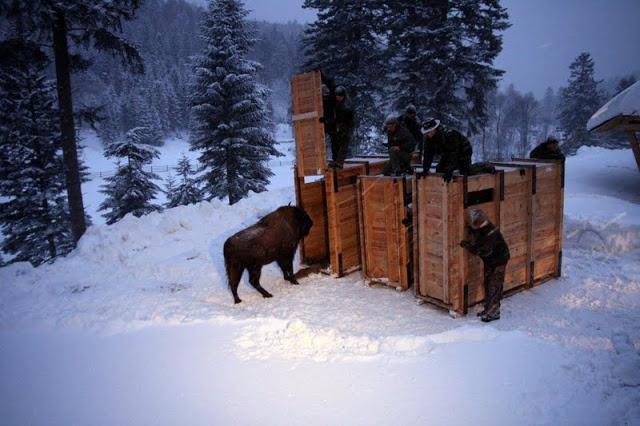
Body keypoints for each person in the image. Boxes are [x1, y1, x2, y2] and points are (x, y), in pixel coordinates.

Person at [459, 209, 510, 323]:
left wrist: (468, 246)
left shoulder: (489, 235)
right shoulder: (484, 227)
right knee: (488, 283)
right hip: (491, 261)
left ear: (477, 223)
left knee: (494, 286)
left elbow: (482, 251)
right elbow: (478, 234)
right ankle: (488, 309)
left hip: (498, 261)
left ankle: (494, 312)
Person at [421, 118, 472, 182]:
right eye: (426, 132)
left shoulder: (449, 135)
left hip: (463, 150)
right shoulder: (428, 139)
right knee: (440, 169)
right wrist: (425, 169)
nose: (427, 134)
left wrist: (449, 170)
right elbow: (428, 154)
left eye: (429, 131)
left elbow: (453, 153)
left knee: (464, 171)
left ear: (434, 129)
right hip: (446, 152)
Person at [330, 85, 354, 168]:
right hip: (339, 126)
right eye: (337, 96)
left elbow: (349, 120)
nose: (338, 98)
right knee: (336, 144)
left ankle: (339, 162)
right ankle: (336, 161)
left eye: (340, 96)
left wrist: (344, 127)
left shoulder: (347, 105)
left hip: (346, 127)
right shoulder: (337, 104)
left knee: (343, 145)